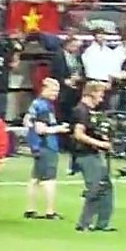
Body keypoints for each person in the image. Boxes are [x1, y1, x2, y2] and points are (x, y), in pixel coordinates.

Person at [72, 83, 117, 233]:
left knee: (106, 187)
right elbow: (79, 134)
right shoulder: (81, 111)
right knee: (95, 188)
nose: (102, 98)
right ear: (92, 93)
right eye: (100, 94)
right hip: (86, 155)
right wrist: (100, 143)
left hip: (94, 153)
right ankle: (83, 223)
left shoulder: (91, 112)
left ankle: (103, 223)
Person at [24, 78, 69, 220]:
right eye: (54, 90)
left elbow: (27, 122)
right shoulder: (43, 106)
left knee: (35, 179)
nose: (56, 94)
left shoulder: (35, 104)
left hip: (37, 146)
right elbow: (40, 129)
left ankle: (30, 209)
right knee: (49, 179)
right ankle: (50, 211)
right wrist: (59, 129)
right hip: (46, 146)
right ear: (45, 88)